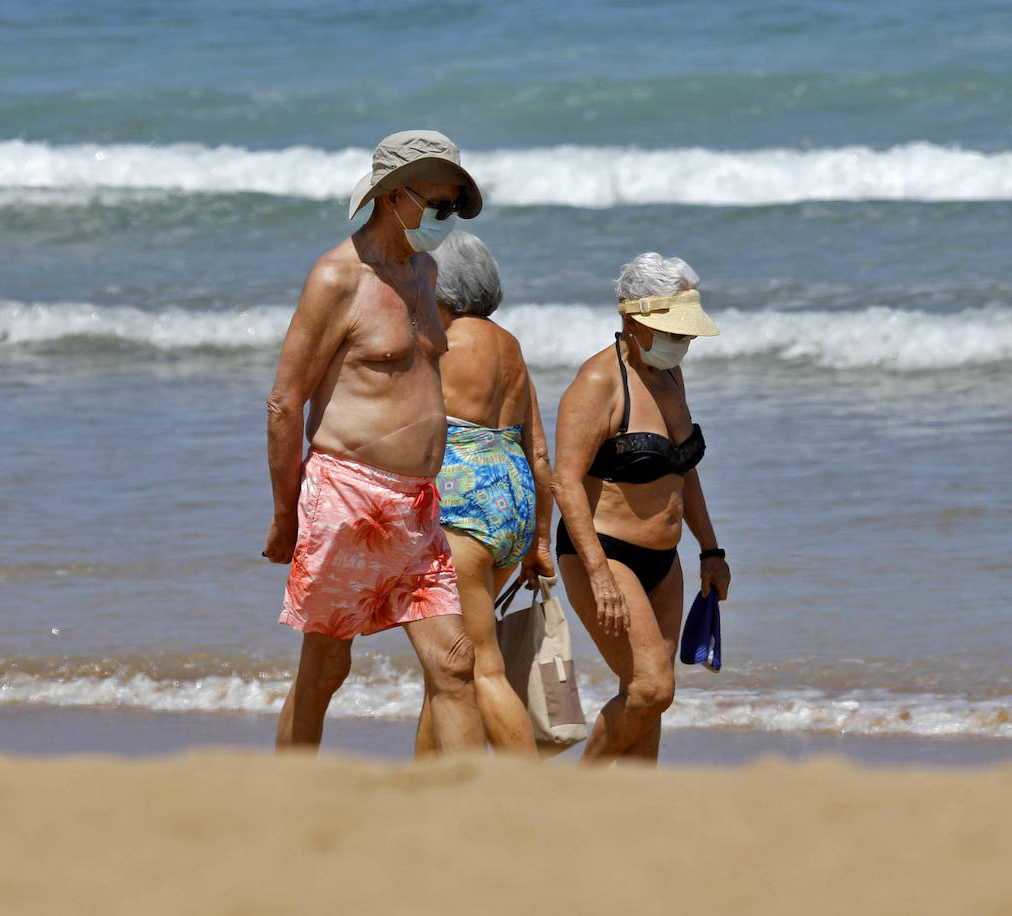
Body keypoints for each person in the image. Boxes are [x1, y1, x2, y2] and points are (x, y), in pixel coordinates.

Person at [263, 129, 487, 753]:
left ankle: (474, 817)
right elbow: (285, 402)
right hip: (348, 500)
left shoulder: (425, 270)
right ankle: (287, 803)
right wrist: (286, 517)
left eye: (452, 208)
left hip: (418, 504)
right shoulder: (338, 277)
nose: (445, 220)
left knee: (454, 663)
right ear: (393, 196)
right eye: (436, 206)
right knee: (326, 669)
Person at [552, 252, 732, 764]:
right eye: (674, 330)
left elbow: (683, 469)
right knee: (652, 688)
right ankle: (572, 792)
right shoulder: (597, 384)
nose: (684, 341)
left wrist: (710, 549)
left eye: (686, 332)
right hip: (606, 554)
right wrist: (598, 574)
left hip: (664, 562)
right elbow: (565, 482)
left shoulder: (670, 377)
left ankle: (634, 813)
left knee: (648, 699)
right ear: (632, 321)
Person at [413, 230, 554, 757]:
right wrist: (539, 539)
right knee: (445, 665)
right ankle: (422, 788)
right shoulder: (512, 349)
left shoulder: (440, 341)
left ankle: (526, 795)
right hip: (513, 501)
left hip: (462, 505)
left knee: (479, 665)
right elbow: (540, 452)